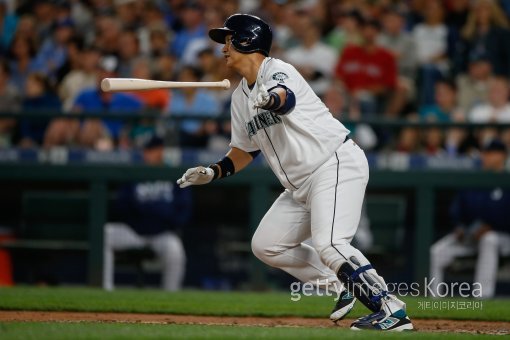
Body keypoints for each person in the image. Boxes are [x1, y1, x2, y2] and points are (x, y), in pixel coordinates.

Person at [176, 14, 413, 331]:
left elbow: (285, 100)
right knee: (267, 245)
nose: (224, 49)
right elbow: (244, 150)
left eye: (230, 40)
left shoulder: (279, 70)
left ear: (248, 40)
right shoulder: (238, 98)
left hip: (333, 163)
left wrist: (271, 98)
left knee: (330, 243)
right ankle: (342, 284)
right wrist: (212, 171)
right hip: (300, 185)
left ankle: (391, 310)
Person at [103, 136, 192, 291]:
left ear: (161, 151)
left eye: (151, 151)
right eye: (146, 151)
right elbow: (121, 205)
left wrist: (165, 217)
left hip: (162, 233)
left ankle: (170, 297)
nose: (147, 154)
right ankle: (105, 289)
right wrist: (150, 212)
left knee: (176, 252)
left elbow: (184, 209)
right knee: (105, 234)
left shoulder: (174, 174)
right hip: (134, 232)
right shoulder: (135, 173)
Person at [429, 139, 510, 298]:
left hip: (503, 237)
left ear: (502, 156)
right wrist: (459, 226)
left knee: (489, 239)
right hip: (471, 236)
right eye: (485, 153)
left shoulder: (507, 180)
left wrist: (491, 226)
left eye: (491, 153)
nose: (486, 157)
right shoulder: (474, 179)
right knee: (437, 251)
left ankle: (482, 297)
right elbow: (457, 210)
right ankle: (433, 299)